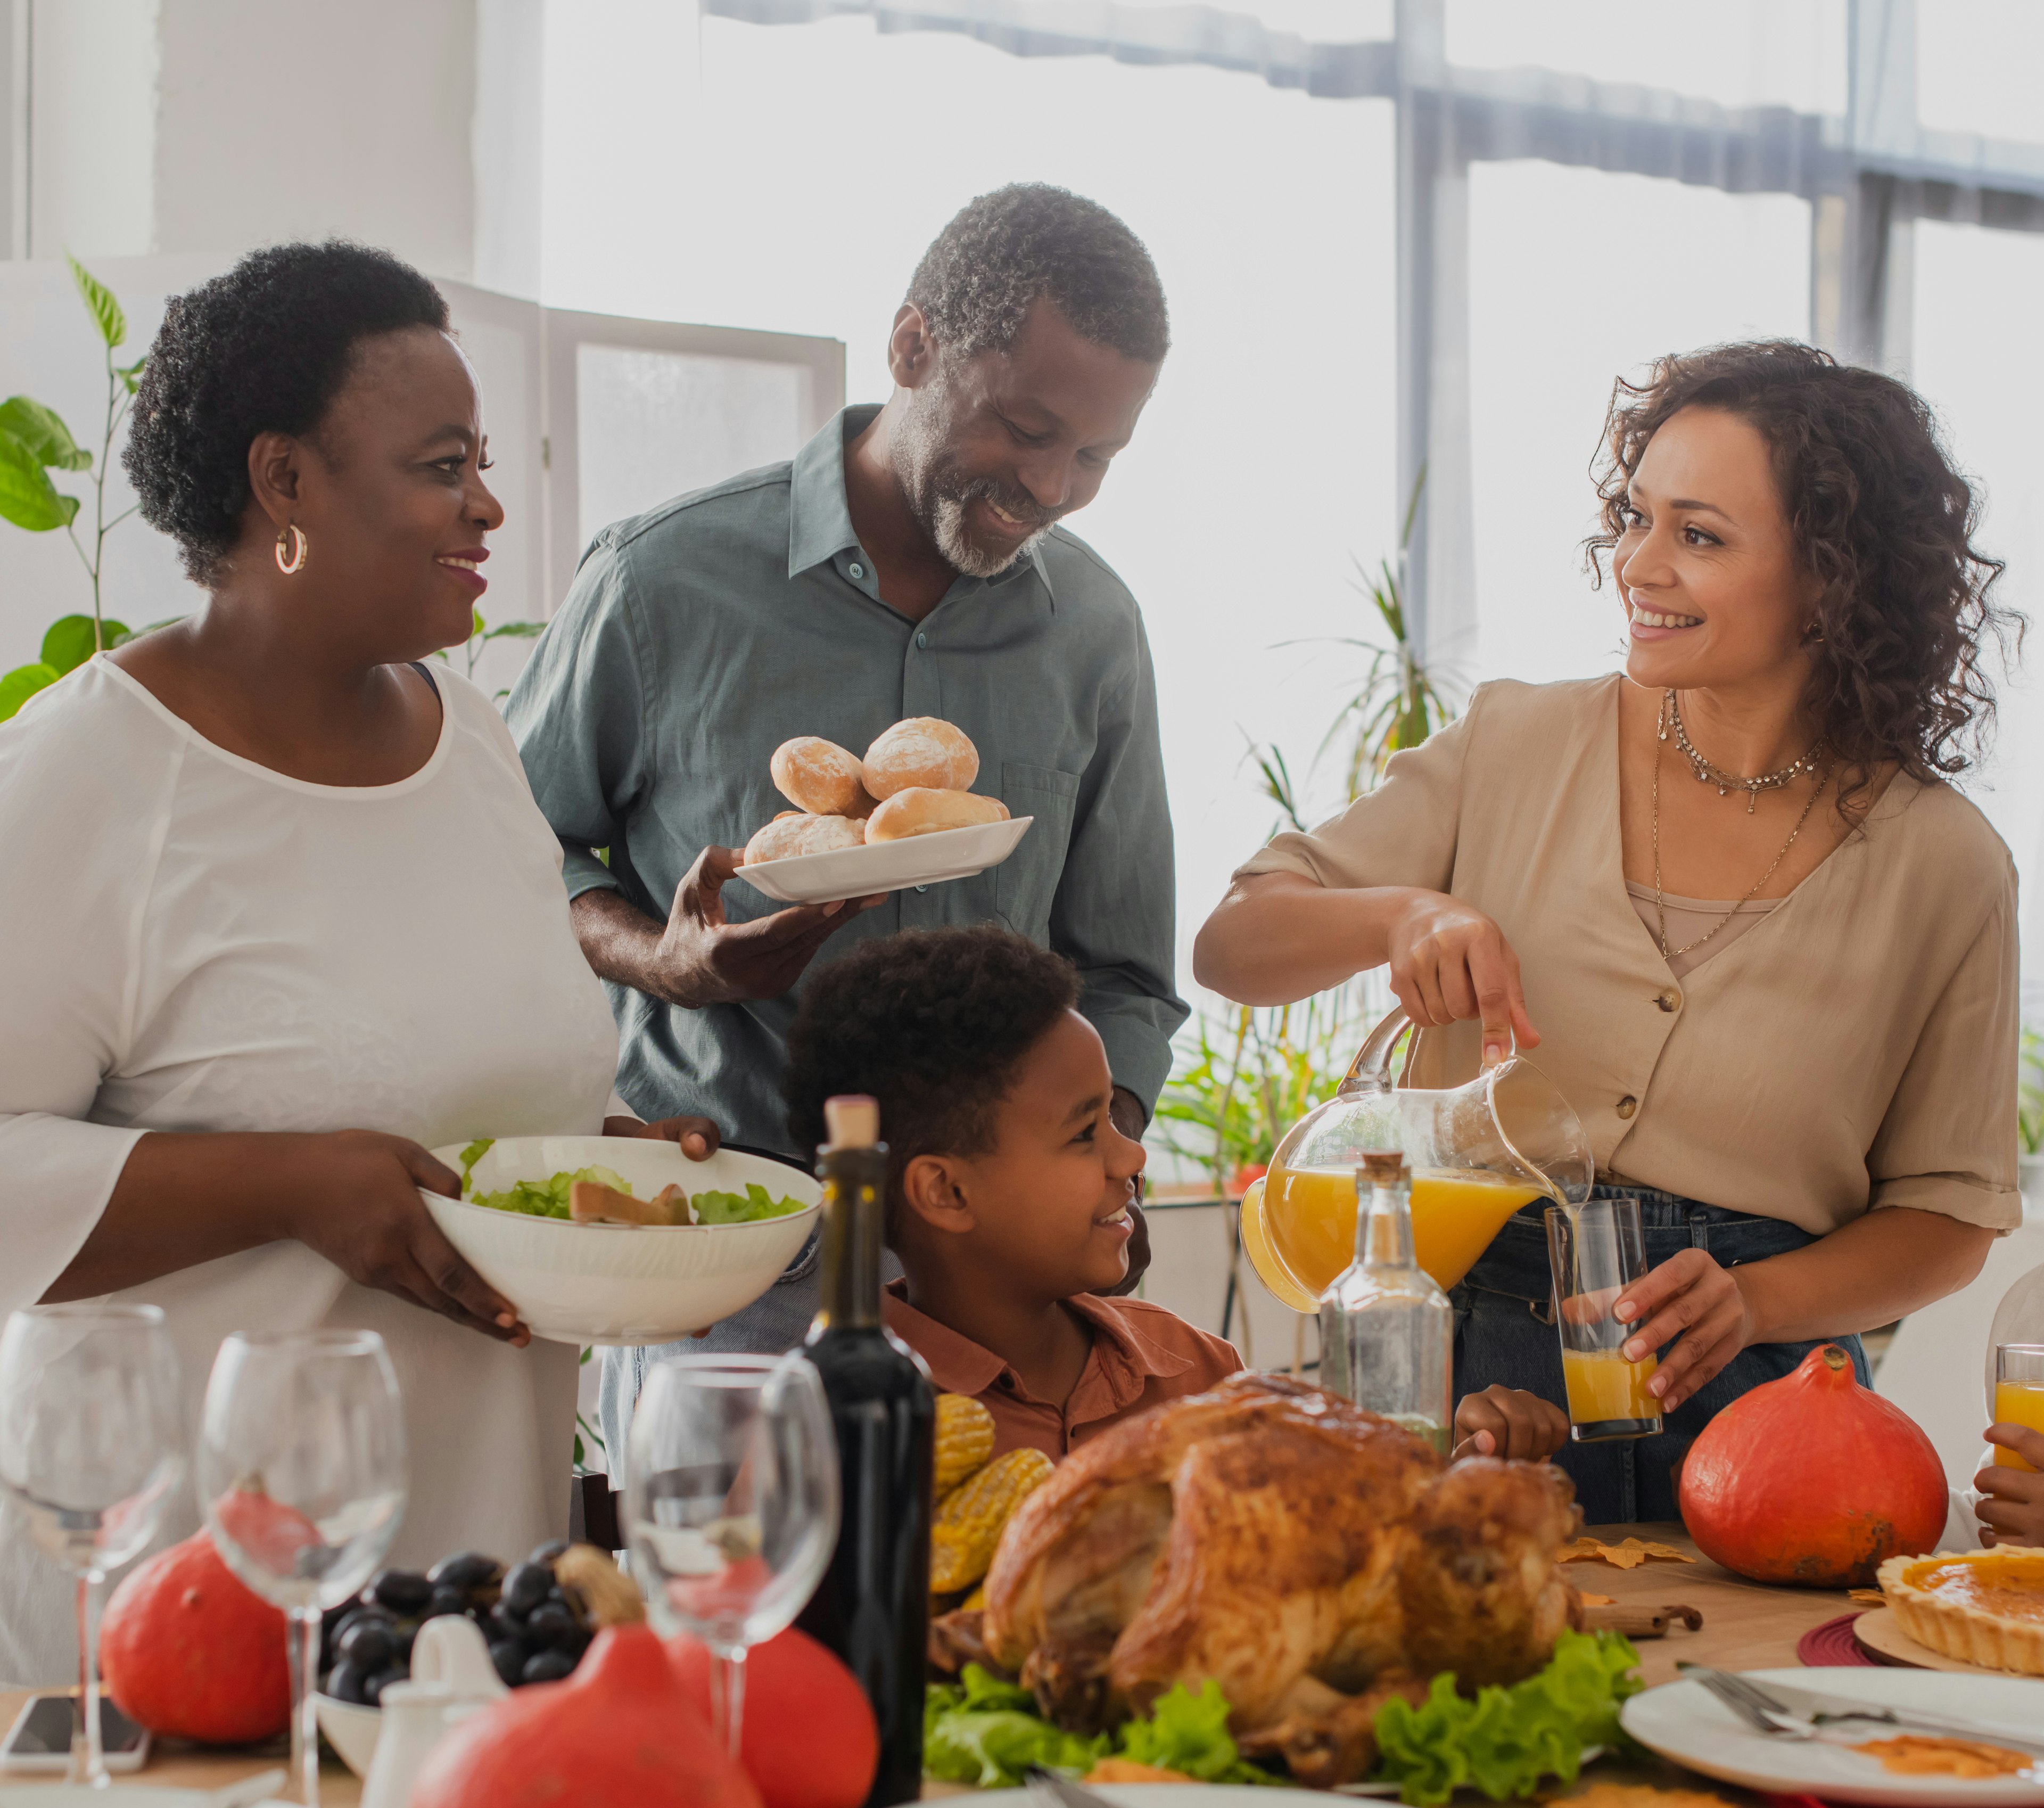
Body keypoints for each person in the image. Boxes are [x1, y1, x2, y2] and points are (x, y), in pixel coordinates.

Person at [0, 242, 713, 1683]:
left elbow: (462, 1095)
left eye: (483, 462)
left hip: (464, 1575)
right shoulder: (86, 776)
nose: (488, 504)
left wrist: (606, 1173)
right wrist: (288, 1187)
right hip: (183, 1600)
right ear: (286, 485)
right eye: (443, 465)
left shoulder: (472, 742)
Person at [1196, 340, 2019, 1525]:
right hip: (1474, 1385)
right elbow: (1233, 942)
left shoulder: (1946, 863)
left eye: (1700, 535)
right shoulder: (1517, 745)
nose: (1638, 563)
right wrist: (1402, 913)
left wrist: (1758, 1300)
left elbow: (1946, 1217)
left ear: (1833, 578)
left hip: (1768, 1421)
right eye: (1637, 519)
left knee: (1743, 1699)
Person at [510, 185, 1189, 1440]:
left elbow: (1127, 973)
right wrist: (661, 960)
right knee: (738, 1627)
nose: (1051, 485)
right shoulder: (661, 582)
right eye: (1026, 428)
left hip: (991, 1308)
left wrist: (1105, 1162)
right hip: (720, 1272)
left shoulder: (1094, 630)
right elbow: (508, 858)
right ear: (914, 346)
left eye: (1095, 457)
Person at [780, 926, 1569, 1463]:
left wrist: (1455, 1471)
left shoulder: (1195, 1371)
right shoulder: (831, 1422)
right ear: (946, 1192)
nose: (1132, 1156)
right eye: (1084, 1131)